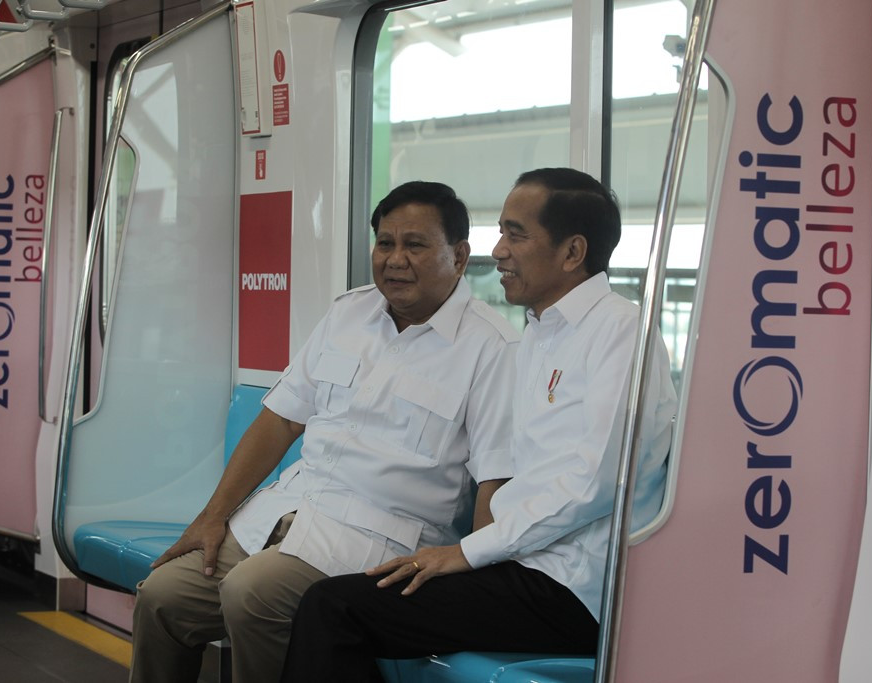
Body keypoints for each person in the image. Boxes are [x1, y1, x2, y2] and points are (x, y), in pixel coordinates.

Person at [279, 168, 679, 682]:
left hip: (574, 588)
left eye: (515, 234)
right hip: (525, 566)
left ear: (572, 252)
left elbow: (596, 484)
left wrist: (467, 552)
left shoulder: (620, 333)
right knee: (350, 601)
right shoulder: (540, 331)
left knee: (336, 608)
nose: (499, 251)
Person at [129, 181, 519, 683]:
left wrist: (471, 591)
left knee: (253, 593)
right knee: (161, 597)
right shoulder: (348, 313)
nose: (395, 259)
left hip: (381, 541)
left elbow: (495, 479)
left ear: (460, 256)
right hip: (285, 513)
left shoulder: (492, 350)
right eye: (385, 243)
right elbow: (281, 419)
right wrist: (212, 517)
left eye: (415, 245)